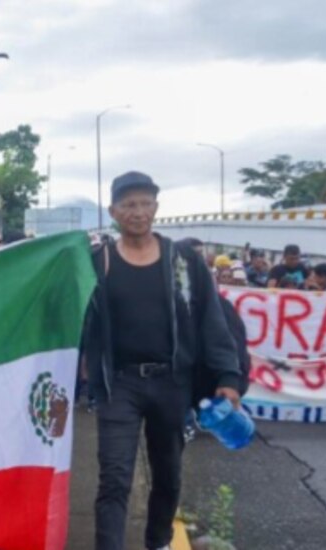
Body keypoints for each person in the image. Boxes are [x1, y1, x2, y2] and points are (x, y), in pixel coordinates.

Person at [82, 171, 242, 550]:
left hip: (171, 383)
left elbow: (212, 322)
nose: (138, 212)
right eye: (128, 205)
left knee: (168, 475)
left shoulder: (183, 261)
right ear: (113, 212)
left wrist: (228, 376)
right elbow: (68, 310)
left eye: (145, 203)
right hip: (118, 384)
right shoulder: (97, 261)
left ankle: (158, 542)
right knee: (115, 478)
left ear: (156, 206)